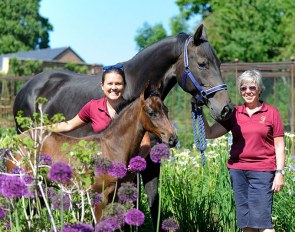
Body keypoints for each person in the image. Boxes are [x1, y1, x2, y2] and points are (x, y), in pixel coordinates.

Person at [202, 70, 285, 232]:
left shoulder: (271, 113)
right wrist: (199, 113)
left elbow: (279, 146)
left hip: (262, 172)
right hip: (238, 173)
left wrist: (279, 172)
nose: (248, 91)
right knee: (246, 225)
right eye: (243, 88)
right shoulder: (234, 113)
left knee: (263, 224)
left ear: (259, 89)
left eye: (252, 88)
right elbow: (210, 133)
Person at [49, 64, 150, 156]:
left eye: (118, 84)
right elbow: (69, 125)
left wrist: (136, 162)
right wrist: (41, 129)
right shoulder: (92, 106)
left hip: (124, 170)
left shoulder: (134, 109)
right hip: (99, 165)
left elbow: (145, 143)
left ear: (124, 86)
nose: (114, 87)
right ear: (102, 86)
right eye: (110, 83)